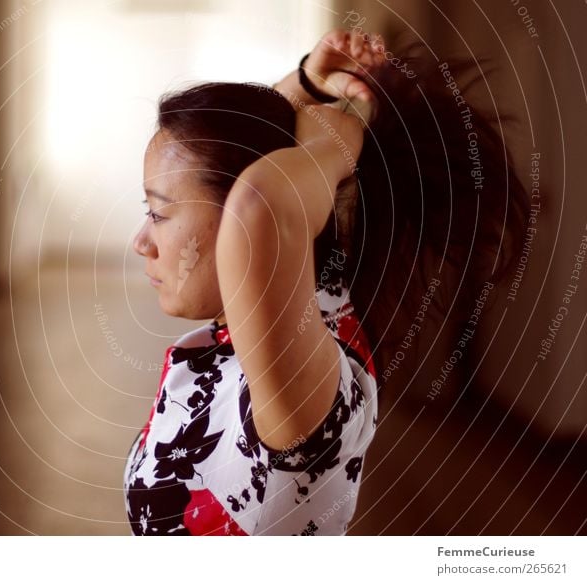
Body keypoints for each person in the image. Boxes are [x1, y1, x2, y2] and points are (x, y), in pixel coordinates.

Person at [123, 29, 529, 535]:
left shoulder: (301, 387)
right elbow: (242, 170)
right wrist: (306, 87)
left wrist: (341, 135)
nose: (142, 241)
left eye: (158, 213)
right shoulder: (288, 324)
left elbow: (260, 202)